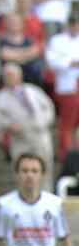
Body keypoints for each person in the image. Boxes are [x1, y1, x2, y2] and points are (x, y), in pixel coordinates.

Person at [0, 64, 56, 191]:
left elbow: (49, 108)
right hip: (20, 138)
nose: (9, 78)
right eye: (7, 76)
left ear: (19, 76)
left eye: (12, 75)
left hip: (40, 136)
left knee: (46, 169)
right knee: (22, 171)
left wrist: (43, 122)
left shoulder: (33, 90)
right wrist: (9, 125)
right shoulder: (1, 97)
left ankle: (46, 197)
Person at [44, 14, 79, 160]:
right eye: (73, 24)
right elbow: (52, 61)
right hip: (67, 87)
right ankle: (67, 156)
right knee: (67, 123)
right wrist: (70, 63)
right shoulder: (57, 40)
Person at [0, 12, 44, 86]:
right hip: (10, 81)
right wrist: (26, 54)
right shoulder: (2, 41)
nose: (14, 24)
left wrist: (15, 54)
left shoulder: (29, 40)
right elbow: (5, 54)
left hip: (30, 77)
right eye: (11, 22)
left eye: (16, 22)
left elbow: (35, 52)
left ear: (22, 23)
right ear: (6, 24)